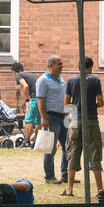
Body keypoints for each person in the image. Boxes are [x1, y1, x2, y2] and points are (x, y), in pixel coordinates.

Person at [63, 58, 104, 198]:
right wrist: (93, 105)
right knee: (94, 152)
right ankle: (99, 190)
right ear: (91, 67)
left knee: (73, 152)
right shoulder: (95, 80)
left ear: (78, 66)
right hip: (91, 120)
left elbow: (67, 103)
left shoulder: (70, 80)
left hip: (75, 120)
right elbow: (101, 102)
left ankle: (69, 189)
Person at [36, 56, 69, 184]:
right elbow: (40, 100)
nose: (62, 66)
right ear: (51, 65)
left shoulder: (61, 79)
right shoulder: (43, 80)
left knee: (67, 146)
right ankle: (49, 176)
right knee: (50, 147)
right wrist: (44, 118)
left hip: (63, 117)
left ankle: (65, 174)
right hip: (51, 117)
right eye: (59, 64)